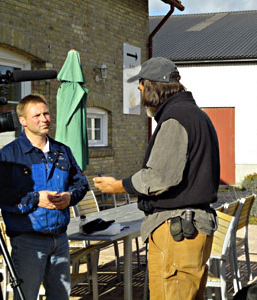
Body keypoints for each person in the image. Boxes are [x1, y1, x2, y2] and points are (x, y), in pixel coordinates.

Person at [93, 57, 220, 300]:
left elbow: (159, 177)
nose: (140, 94)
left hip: (177, 232)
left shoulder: (176, 118)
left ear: (151, 86)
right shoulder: (196, 115)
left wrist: (119, 185)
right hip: (190, 228)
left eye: (140, 88)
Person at [0, 94, 88, 300]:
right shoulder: (9, 156)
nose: (44, 119)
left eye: (46, 113)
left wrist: (70, 197)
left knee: (60, 296)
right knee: (26, 296)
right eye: (37, 115)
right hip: (27, 242)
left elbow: (80, 183)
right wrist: (35, 198)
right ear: (23, 121)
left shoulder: (62, 151)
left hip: (60, 239)